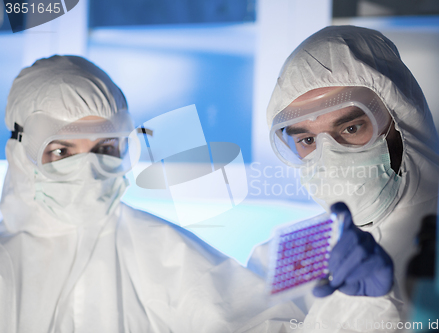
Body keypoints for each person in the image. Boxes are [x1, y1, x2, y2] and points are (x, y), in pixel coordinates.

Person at [0, 55, 306, 333]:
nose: (89, 171)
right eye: (61, 151)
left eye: (105, 149)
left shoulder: (160, 249)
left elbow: (260, 321)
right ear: (18, 153)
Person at [248, 25, 439, 331]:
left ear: (402, 119)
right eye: (308, 141)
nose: (329, 158)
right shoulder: (295, 255)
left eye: (351, 128)